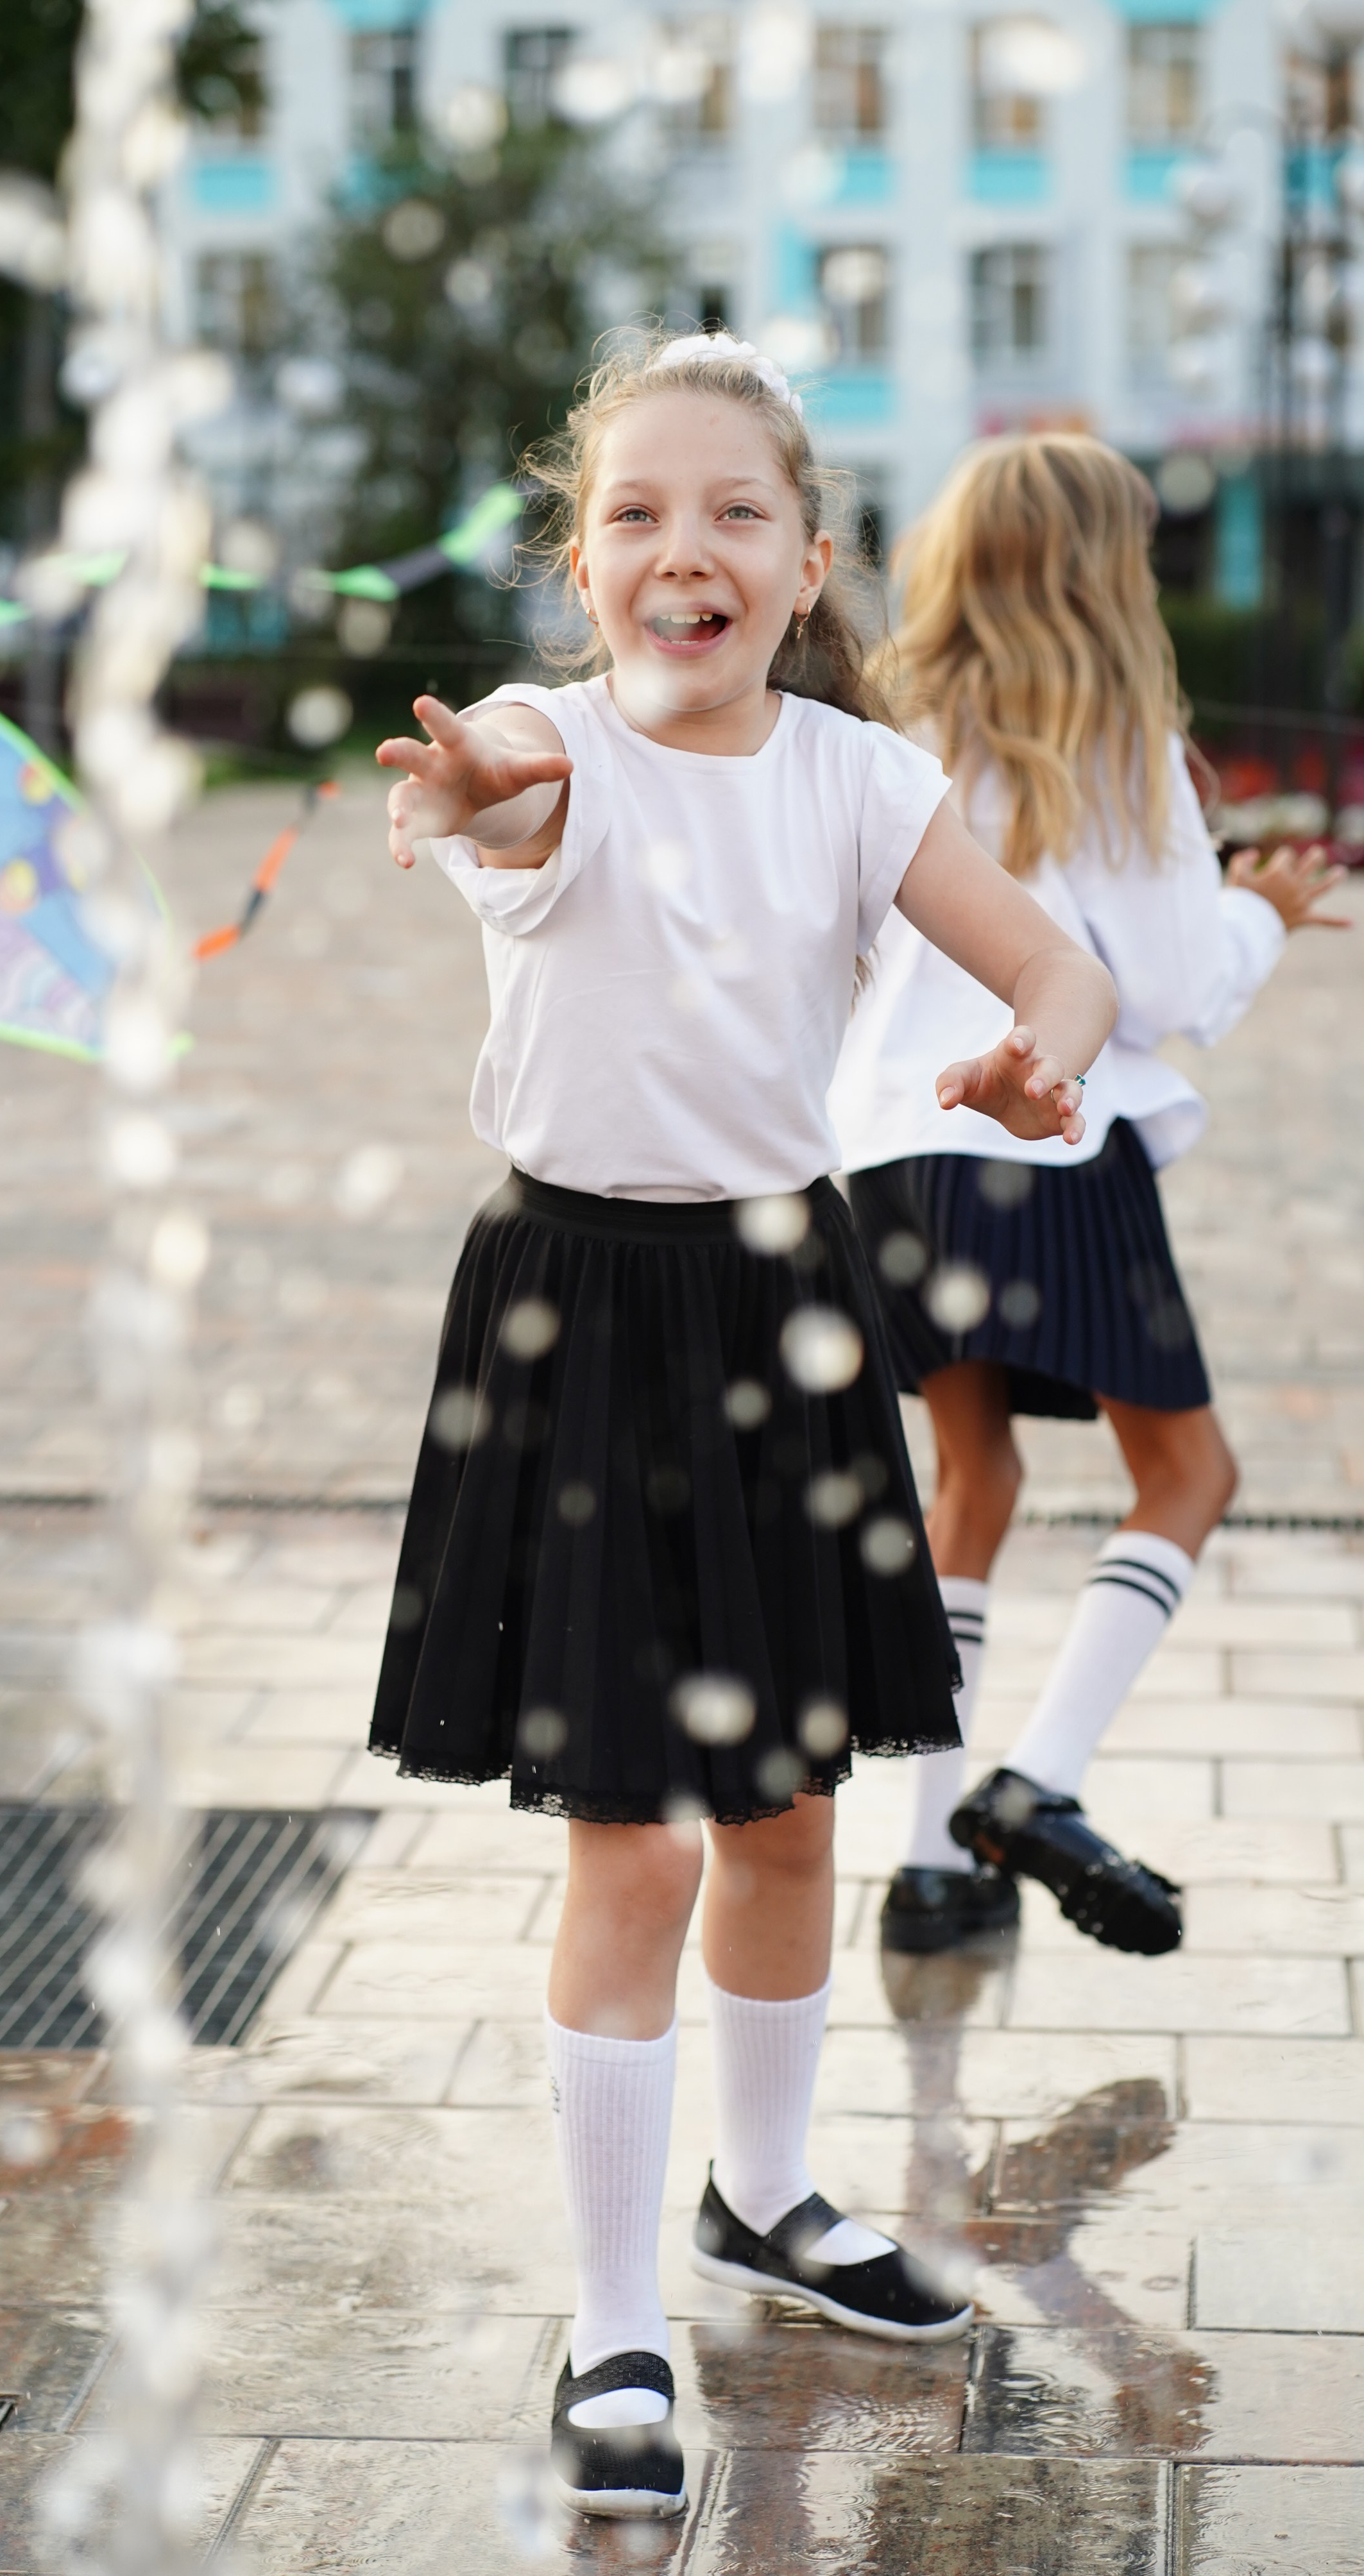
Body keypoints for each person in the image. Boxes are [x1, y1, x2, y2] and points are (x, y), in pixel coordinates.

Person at [366, 337, 1116, 2521]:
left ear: (806, 564)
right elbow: (503, 797)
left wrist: (1037, 1052)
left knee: (787, 1809)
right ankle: (615, 2317)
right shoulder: (542, 742)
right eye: (632, 514)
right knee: (636, 1828)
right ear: (583, 561)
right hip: (578, 1303)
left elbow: (1053, 965)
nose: (679, 546)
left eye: (731, 513)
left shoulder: (862, 784)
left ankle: (765, 2197)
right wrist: (465, 797)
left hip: (787, 1299)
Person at [830, 432, 1349, 1963]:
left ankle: (929, 1870)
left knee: (967, 1483)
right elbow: (1165, 987)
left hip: (896, 1154)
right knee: (1187, 1474)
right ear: (1103, 572)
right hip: (1050, 1135)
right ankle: (1033, 1786)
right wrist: (1253, 913)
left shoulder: (890, 733)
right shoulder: (1119, 740)